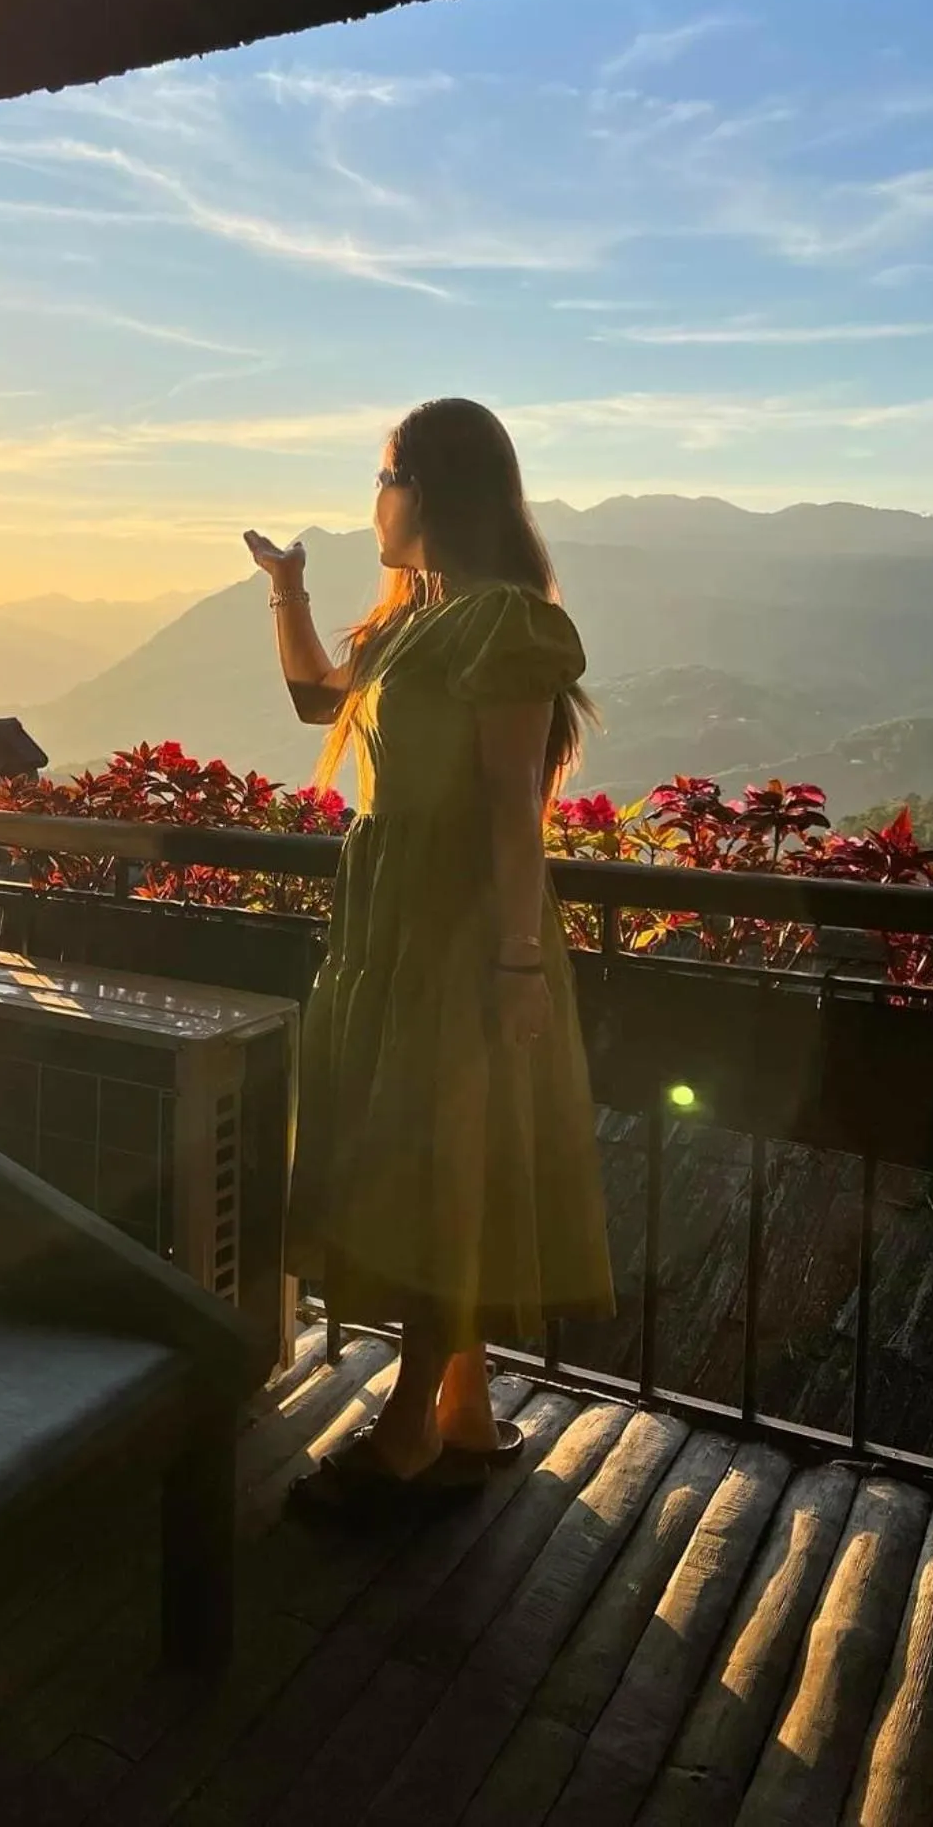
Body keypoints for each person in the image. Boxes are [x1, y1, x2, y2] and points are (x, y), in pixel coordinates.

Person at [245, 397, 615, 1516]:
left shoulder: (504, 621)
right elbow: (319, 693)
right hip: (395, 921)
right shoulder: (416, 618)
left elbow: (514, 814)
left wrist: (512, 965)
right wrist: (289, 587)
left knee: (437, 1161)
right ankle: (461, 1404)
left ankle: (405, 1429)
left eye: (384, 476)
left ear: (429, 491)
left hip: (459, 928)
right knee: (437, 1151)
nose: (375, 501)